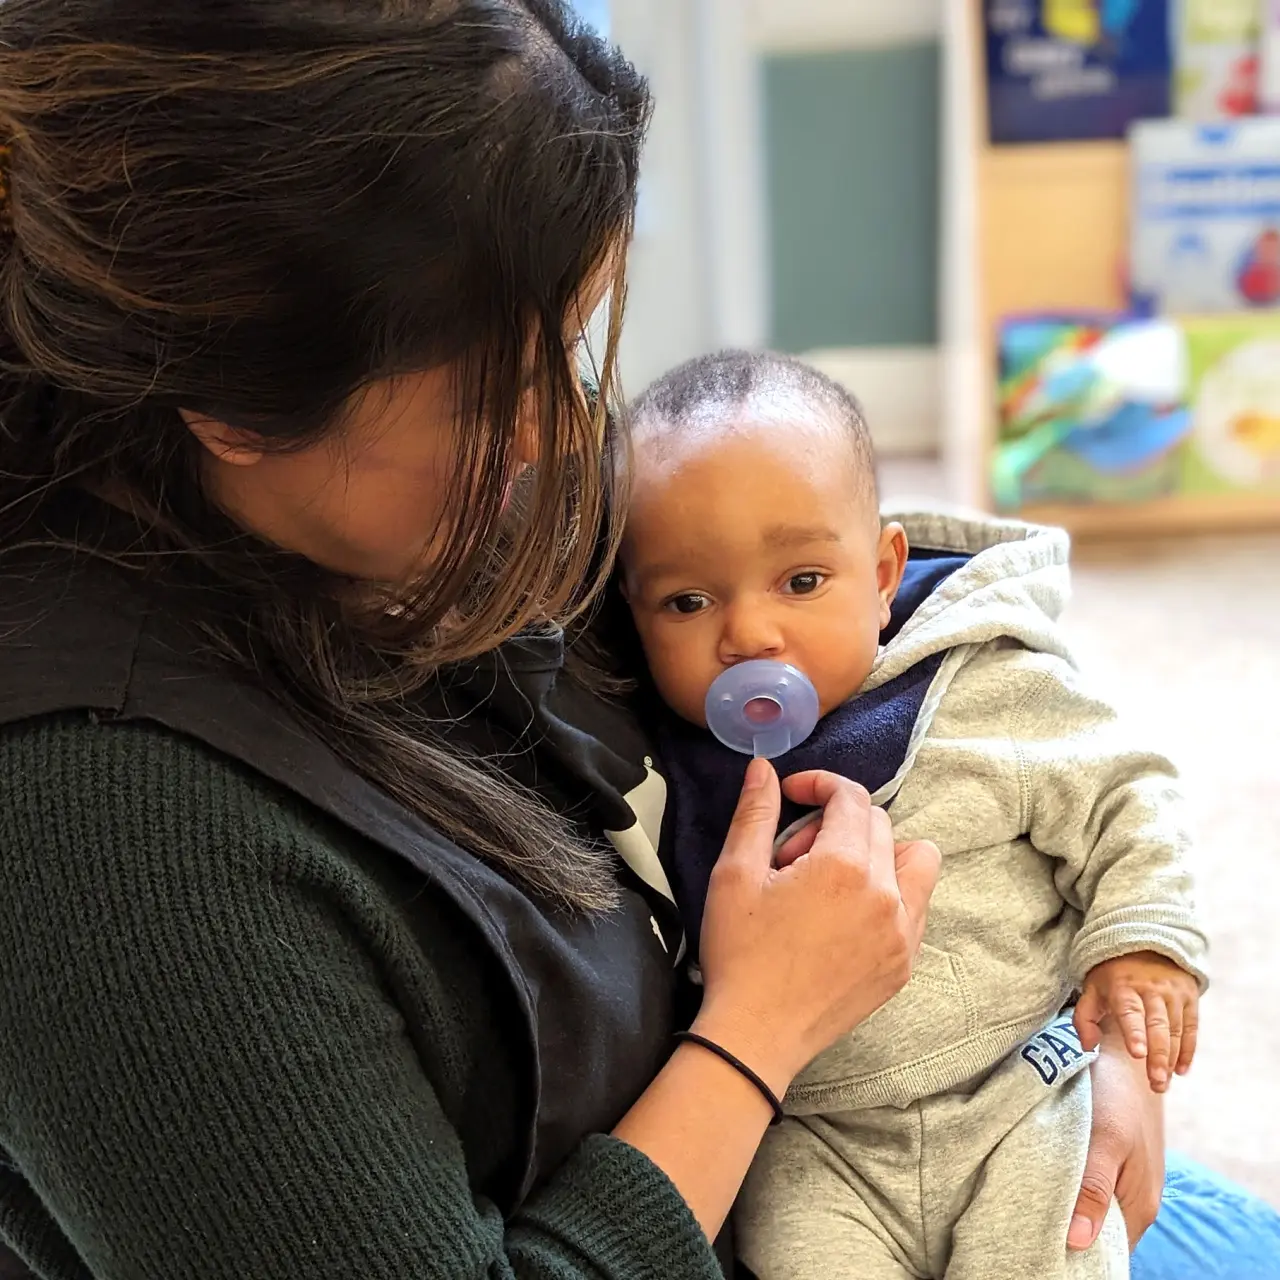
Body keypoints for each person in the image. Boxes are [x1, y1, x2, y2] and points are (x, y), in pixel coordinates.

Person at [0, 3, 1268, 1278]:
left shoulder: (445, 495)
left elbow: (952, 684)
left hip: (993, 1094)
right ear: (235, 403)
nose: (563, 429)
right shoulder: (101, 837)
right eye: (506, 377)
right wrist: (758, 1031)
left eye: (572, 339)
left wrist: (1098, 1017)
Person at [618, 350, 1212, 1279]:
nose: (748, 635)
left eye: (802, 581)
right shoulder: (652, 759)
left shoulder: (984, 683)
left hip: (1019, 1088)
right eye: (688, 601)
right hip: (815, 1140)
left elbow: (1126, 791)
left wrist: (1141, 942)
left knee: (1064, 1245)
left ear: (886, 572)